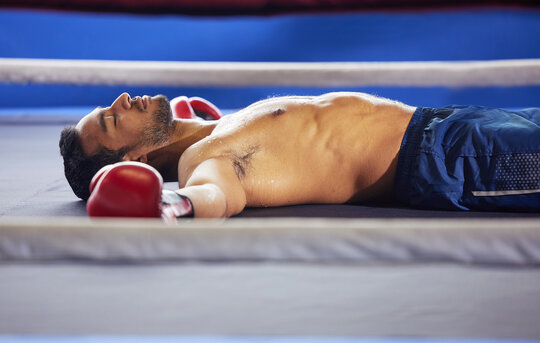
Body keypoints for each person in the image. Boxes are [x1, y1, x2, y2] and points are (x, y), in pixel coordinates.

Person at [59, 92, 540, 218]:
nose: (122, 100)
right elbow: (214, 195)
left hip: (450, 122)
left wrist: (187, 119)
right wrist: (171, 205)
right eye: (111, 120)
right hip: (450, 159)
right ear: (134, 161)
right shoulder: (203, 160)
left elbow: (186, 116)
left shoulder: (211, 125)